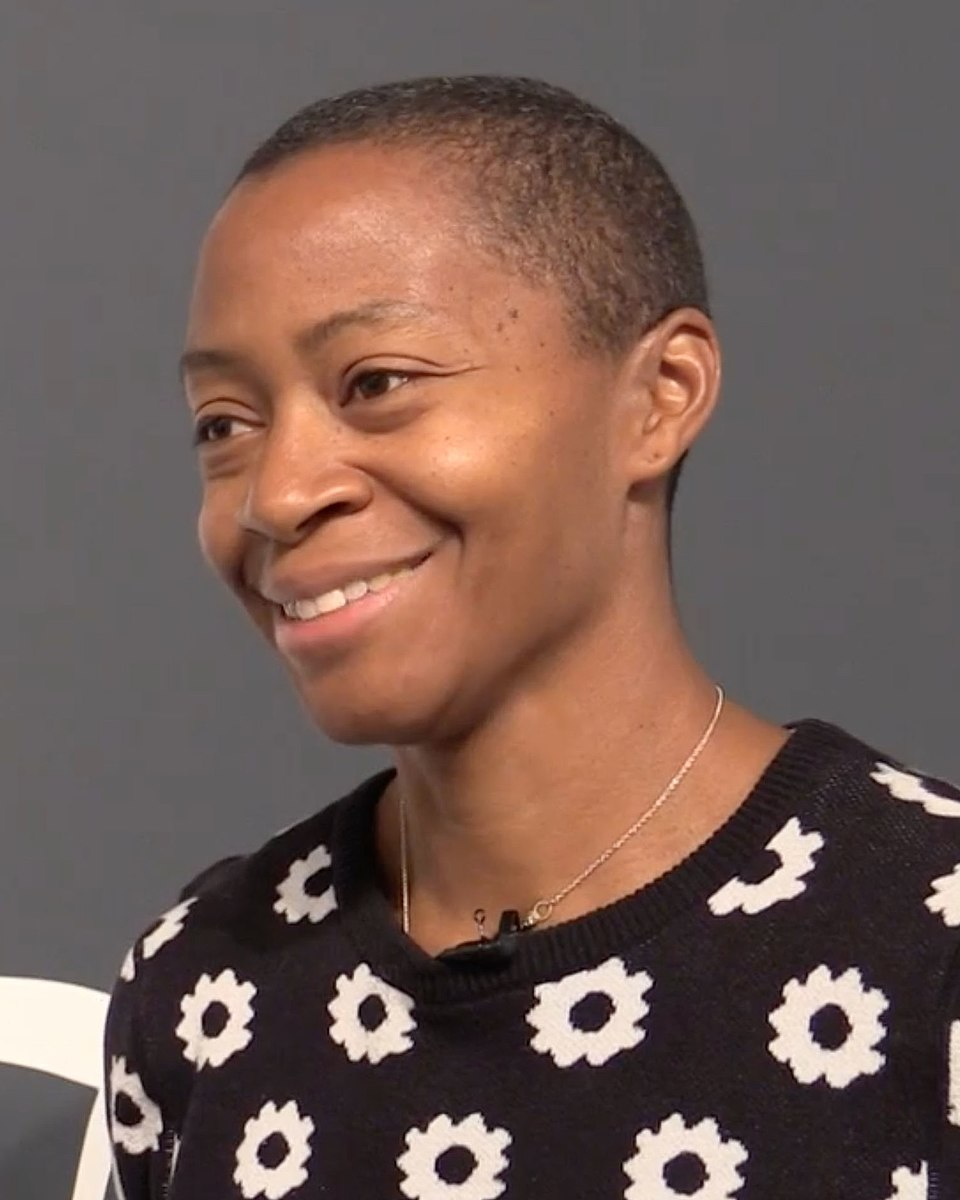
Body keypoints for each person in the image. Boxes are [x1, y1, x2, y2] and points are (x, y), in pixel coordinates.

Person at [103, 75, 960, 1199]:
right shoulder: (201, 980)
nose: (277, 492)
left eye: (378, 384)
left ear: (659, 395)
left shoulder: (927, 938)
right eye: (225, 424)